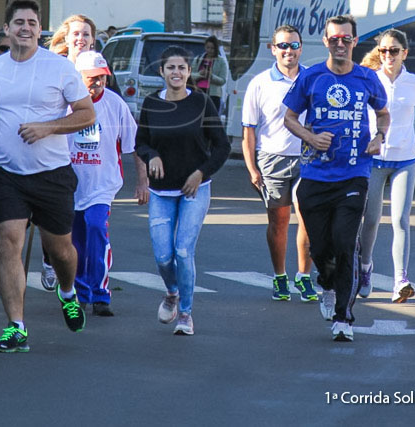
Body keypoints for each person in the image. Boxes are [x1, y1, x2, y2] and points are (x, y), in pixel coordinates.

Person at [0, 0, 96, 353]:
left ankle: (67, 291)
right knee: (9, 240)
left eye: (32, 22)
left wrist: (48, 127)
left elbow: (87, 115)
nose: (25, 27)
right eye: (19, 22)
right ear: (7, 30)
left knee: (62, 251)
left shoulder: (59, 69)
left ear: (41, 30)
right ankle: (16, 326)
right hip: (7, 173)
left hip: (52, 174)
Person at [283, 15, 389, 342]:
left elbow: (383, 113)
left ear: (356, 42)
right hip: (315, 176)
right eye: (333, 40)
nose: (340, 44)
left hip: (354, 174)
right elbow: (289, 117)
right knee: (321, 249)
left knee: (345, 244)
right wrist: (310, 138)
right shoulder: (312, 77)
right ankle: (326, 283)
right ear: (326, 42)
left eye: (346, 39)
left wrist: (380, 137)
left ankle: (344, 317)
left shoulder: (368, 78)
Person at [136, 46, 230, 336]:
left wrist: (201, 172)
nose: (176, 73)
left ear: (190, 72)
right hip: (162, 192)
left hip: (195, 189)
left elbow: (223, 146)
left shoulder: (201, 103)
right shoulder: (152, 103)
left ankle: (186, 314)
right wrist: (151, 154)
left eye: (182, 68)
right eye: (170, 68)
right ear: (161, 72)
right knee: (163, 256)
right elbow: (140, 141)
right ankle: (171, 292)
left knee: (183, 250)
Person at [357, 29, 415, 303]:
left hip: (405, 159)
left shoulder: (414, 82)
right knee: (371, 220)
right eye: (383, 50)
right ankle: (365, 268)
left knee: (399, 220)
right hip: (374, 158)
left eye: (394, 51)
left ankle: (400, 281)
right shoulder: (371, 79)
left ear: (404, 53)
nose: (388, 56)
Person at [69, 51, 148, 317]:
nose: (97, 83)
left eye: (102, 78)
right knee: (75, 240)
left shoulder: (115, 105)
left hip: (102, 185)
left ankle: (100, 293)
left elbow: (135, 145)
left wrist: (142, 182)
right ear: (77, 78)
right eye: (91, 79)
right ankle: (79, 292)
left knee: (95, 229)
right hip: (69, 186)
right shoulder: (64, 104)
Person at [241, 25, 317, 303]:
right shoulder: (260, 83)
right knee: (279, 220)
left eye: (294, 45)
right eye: (283, 46)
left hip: (307, 158)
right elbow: (249, 130)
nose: (289, 51)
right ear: (272, 49)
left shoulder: (312, 78)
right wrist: (252, 168)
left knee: (307, 216)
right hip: (271, 159)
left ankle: (305, 276)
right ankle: (279, 275)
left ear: (301, 48)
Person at [40, 13, 97, 290]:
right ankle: (50, 259)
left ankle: (79, 277)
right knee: (50, 213)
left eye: (86, 34)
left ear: (93, 40)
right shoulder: (55, 67)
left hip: (87, 155)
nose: (81, 39)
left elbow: (110, 105)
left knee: (80, 217)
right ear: (66, 38)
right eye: (76, 34)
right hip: (55, 149)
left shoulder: (99, 68)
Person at [191, 36, 228, 115]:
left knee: (211, 117)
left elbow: (222, 80)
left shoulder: (221, 61)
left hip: (213, 95)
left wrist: (211, 76)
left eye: (212, 48)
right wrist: (200, 74)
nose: (210, 50)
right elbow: (190, 75)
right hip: (199, 92)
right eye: (208, 48)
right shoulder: (198, 59)